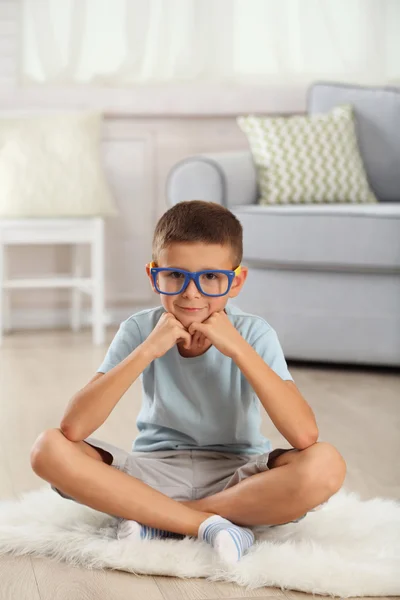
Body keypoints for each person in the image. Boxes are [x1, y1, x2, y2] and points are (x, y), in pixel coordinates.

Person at [30, 200, 346, 564]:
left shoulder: (254, 333)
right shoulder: (139, 329)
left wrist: (240, 350)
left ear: (236, 281)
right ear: (154, 276)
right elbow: (74, 426)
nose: (191, 293)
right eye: (176, 275)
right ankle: (210, 525)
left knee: (326, 463)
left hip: (238, 478)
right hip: (152, 471)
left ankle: (160, 520)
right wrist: (148, 350)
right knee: (47, 449)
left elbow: (304, 436)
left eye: (211, 277)